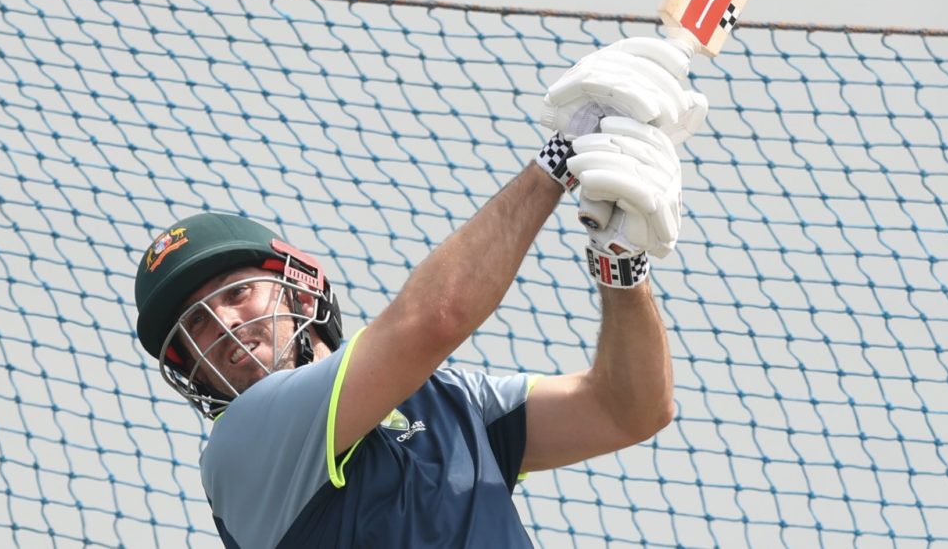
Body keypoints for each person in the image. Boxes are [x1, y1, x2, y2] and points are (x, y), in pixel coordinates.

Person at [133, 37, 708, 548]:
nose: (223, 327)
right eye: (197, 325)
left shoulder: (449, 400)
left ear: (301, 294)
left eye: (235, 295)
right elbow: (437, 318)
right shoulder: (243, 443)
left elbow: (628, 411)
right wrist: (560, 156)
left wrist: (621, 266)